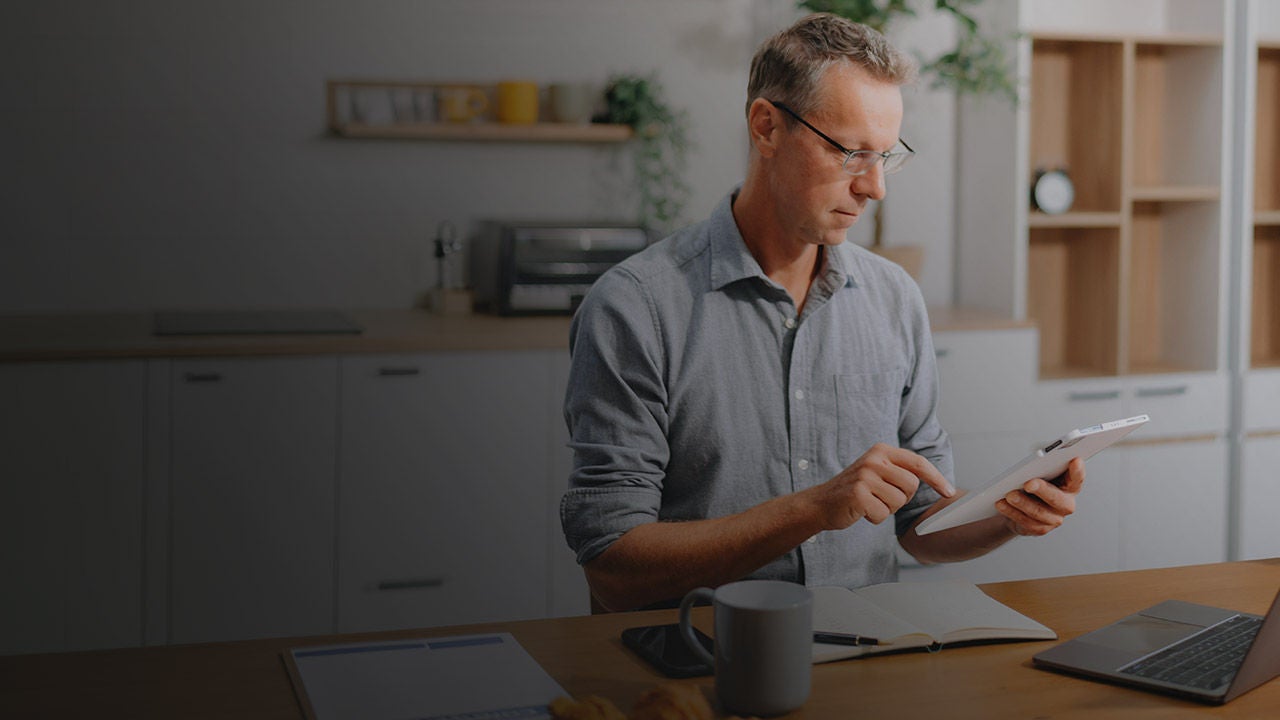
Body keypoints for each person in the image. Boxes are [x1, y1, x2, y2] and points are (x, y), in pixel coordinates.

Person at [560, 13, 1085, 613]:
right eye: (852, 152)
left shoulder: (894, 299)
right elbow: (613, 567)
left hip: (864, 665)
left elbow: (919, 523)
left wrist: (1007, 513)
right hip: (695, 675)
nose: (875, 188)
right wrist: (812, 509)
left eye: (887, 156)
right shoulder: (635, 307)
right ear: (766, 128)